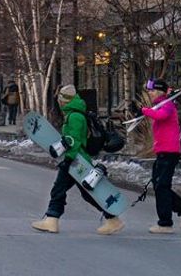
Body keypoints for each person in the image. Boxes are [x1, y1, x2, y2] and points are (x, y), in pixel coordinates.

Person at [33, 84, 123, 235]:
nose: (59, 102)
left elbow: (73, 141)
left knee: (59, 189)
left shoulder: (75, 116)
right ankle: (113, 219)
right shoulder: (74, 114)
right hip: (78, 160)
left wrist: (68, 159)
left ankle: (52, 220)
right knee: (86, 194)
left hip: (75, 160)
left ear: (64, 100)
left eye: (60, 99)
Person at [133, 78, 181, 234]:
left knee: (162, 186)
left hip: (169, 152)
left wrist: (144, 110)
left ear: (160, 91)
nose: (150, 93)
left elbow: (160, 116)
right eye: (149, 91)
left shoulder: (167, 104)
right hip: (163, 152)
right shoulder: (161, 104)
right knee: (159, 185)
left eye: (152, 90)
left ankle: (165, 223)